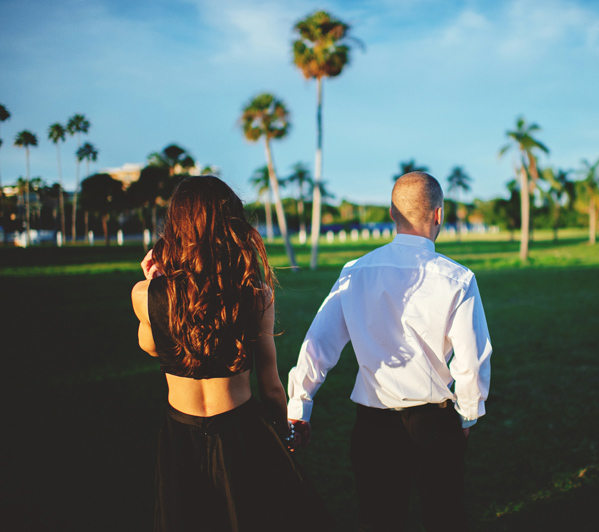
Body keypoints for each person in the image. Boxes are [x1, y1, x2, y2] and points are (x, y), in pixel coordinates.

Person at [287, 172, 492, 531]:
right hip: (435, 422)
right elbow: (471, 361)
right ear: (439, 215)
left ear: (393, 214)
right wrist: (468, 416)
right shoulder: (458, 278)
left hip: (372, 425)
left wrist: (300, 404)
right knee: (445, 517)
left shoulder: (355, 272)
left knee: (378, 518)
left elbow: (318, 343)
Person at [131, 175, 329, 531]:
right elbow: (270, 386)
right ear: (232, 227)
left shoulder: (144, 295)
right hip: (241, 430)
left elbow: (150, 346)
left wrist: (151, 282)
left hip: (181, 433)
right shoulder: (256, 294)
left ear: (176, 226)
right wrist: (285, 432)